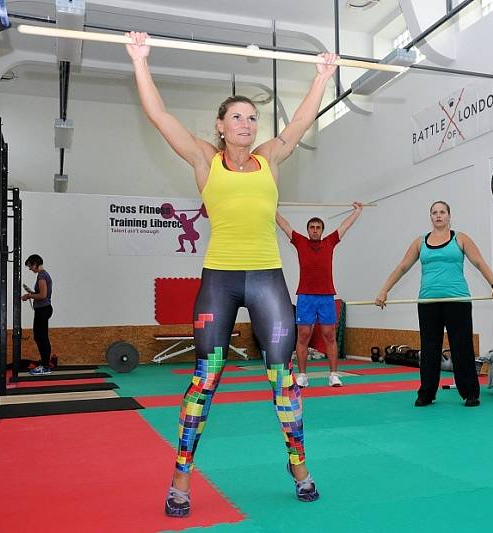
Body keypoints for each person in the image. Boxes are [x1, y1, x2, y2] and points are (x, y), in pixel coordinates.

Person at [125, 32, 338, 516]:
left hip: (267, 279)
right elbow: (160, 118)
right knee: (206, 378)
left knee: (283, 377)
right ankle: (181, 475)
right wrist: (141, 61)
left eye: (252, 118)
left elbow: (302, 120)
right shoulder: (205, 160)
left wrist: (322, 76)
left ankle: (298, 463)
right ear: (220, 126)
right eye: (236, 117)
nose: (246, 124)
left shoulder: (271, 157)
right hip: (220, 280)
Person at [375, 201, 493, 407]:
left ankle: (470, 393)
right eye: (434, 212)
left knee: (461, 347)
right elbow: (402, 267)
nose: (438, 215)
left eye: (442, 212)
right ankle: (426, 393)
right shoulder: (420, 242)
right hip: (428, 302)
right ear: (431, 217)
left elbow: (479, 262)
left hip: (457, 301)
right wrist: (384, 290)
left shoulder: (460, 238)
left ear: (449, 216)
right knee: (429, 349)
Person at [276, 203, 363, 388]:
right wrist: (272, 209)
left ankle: (333, 375)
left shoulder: (330, 242)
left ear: (322, 230)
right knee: (303, 335)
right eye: (312, 227)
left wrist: (357, 211)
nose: (315, 230)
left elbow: (345, 226)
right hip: (306, 296)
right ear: (308, 230)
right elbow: (284, 225)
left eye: (318, 228)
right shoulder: (300, 242)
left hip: (326, 297)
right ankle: (302, 375)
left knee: (329, 335)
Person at [21, 254, 53, 376]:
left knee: (41, 337)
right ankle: (45, 363)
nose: (30, 269)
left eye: (30, 266)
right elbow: (41, 294)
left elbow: (43, 295)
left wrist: (29, 295)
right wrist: (32, 292)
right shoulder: (43, 275)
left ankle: (45, 366)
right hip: (43, 309)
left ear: (35, 264)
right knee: (40, 337)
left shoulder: (41, 276)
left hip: (43, 309)